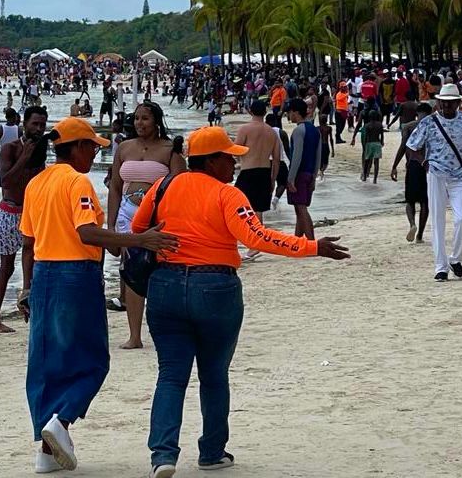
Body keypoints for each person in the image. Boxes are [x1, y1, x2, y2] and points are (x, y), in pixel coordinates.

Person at [130, 126, 349, 477]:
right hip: (215, 287)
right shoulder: (228, 195)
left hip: (166, 287)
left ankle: (163, 455)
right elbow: (257, 237)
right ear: (212, 161)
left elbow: (139, 230)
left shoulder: (163, 187)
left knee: (170, 376)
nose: (234, 164)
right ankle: (212, 452)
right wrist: (313, 247)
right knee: (214, 375)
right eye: (229, 157)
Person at [18, 117, 178, 474]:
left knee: (46, 362)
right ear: (74, 148)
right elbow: (88, 233)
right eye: (91, 146)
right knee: (92, 360)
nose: (94, 153)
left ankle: (46, 449)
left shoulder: (36, 183)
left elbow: (28, 243)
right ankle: (62, 421)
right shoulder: (78, 182)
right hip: (75, 274)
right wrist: (140, 239)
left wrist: (26, 287)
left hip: (44, 273)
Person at [107, 101, 185, 349]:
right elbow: (115, 188)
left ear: (157, 121)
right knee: (131, 271)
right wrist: (111, 225)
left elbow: (181, 188)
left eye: (145, 119)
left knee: (161, 269)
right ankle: (134, 335)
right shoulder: (124, 148)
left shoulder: (169, 149)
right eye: (137, 118)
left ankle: (166, 329)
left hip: (158, 215)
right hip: (127, 213)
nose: (140, 123)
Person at [404, 83, 462, 281]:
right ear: (438, 102)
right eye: (443, 102)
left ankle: (456, 259)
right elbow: (412, 146)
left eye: (450, 103)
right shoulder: (428, 122)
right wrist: (425, 163)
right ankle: (441, 266)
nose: (446, 106)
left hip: (460, 176)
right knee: (437, 221)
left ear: (458, 103)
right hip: (436, 174)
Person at [0, 105, 48, 333]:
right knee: (6, 267)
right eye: (35, 124)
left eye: (42, 125)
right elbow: (5, 181)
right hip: (9, 211)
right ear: (24, 124)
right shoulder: (11, 148)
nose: (39, 128)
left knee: (33, 262)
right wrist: (24, 157)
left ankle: (29, 309)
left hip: (32, 211)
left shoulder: (42, 149)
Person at [233, 99, 280, 261]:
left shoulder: (245, 129)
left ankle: (252, 243)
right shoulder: (271, 132)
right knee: (258, 209)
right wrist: (273, 179)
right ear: (265, 112)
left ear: (250, 111)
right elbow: (276, 158)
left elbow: (235, 150)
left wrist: (239, 161)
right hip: (265, 172)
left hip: (248, 172)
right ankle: (255, 244)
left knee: (238, 208)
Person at [390, 102, 432, 243]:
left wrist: (394, 166)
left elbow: (403, 147)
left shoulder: (408, 127)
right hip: (428, 167)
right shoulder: (433, 127)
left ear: (417, 113)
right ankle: (420, 234)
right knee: (425, 202)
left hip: (412, 165)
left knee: (410, 200)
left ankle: (412, 224)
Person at [285, 98, 321, 239]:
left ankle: (311, 242)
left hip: (299, 174)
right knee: (299, 209)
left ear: (295, 112)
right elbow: (318, 156)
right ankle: (297, 240)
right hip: (309, 173)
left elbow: (296, 156)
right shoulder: (314, 130)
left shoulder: (299, 131)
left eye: (290, 112)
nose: (289, 115)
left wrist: (291, 178)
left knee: (301, 208)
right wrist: (314, 177)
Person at [358, 110, 384, 183]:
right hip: (377, 143)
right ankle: (375, 179)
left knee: (367, 161)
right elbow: (382, 135)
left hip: (369, 144)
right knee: (376, 162)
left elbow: (366, 136)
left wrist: (365, 145)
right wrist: (382, 142)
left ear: (369, 117)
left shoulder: (367, 125)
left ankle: (365, 177)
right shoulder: (380, 125)